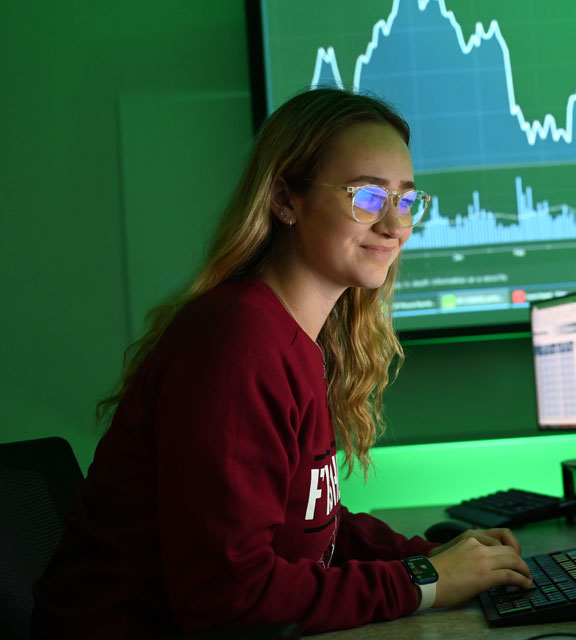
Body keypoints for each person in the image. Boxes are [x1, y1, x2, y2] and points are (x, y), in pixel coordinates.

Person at [32, 88, 533, 638]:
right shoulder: (237, 342)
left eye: (407, 200)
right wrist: (424, 579)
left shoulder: (294, 340)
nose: (395, 225)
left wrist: (434, 555)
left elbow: (310, 528)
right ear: (283, 199)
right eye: (367, 196)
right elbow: (230, 598)